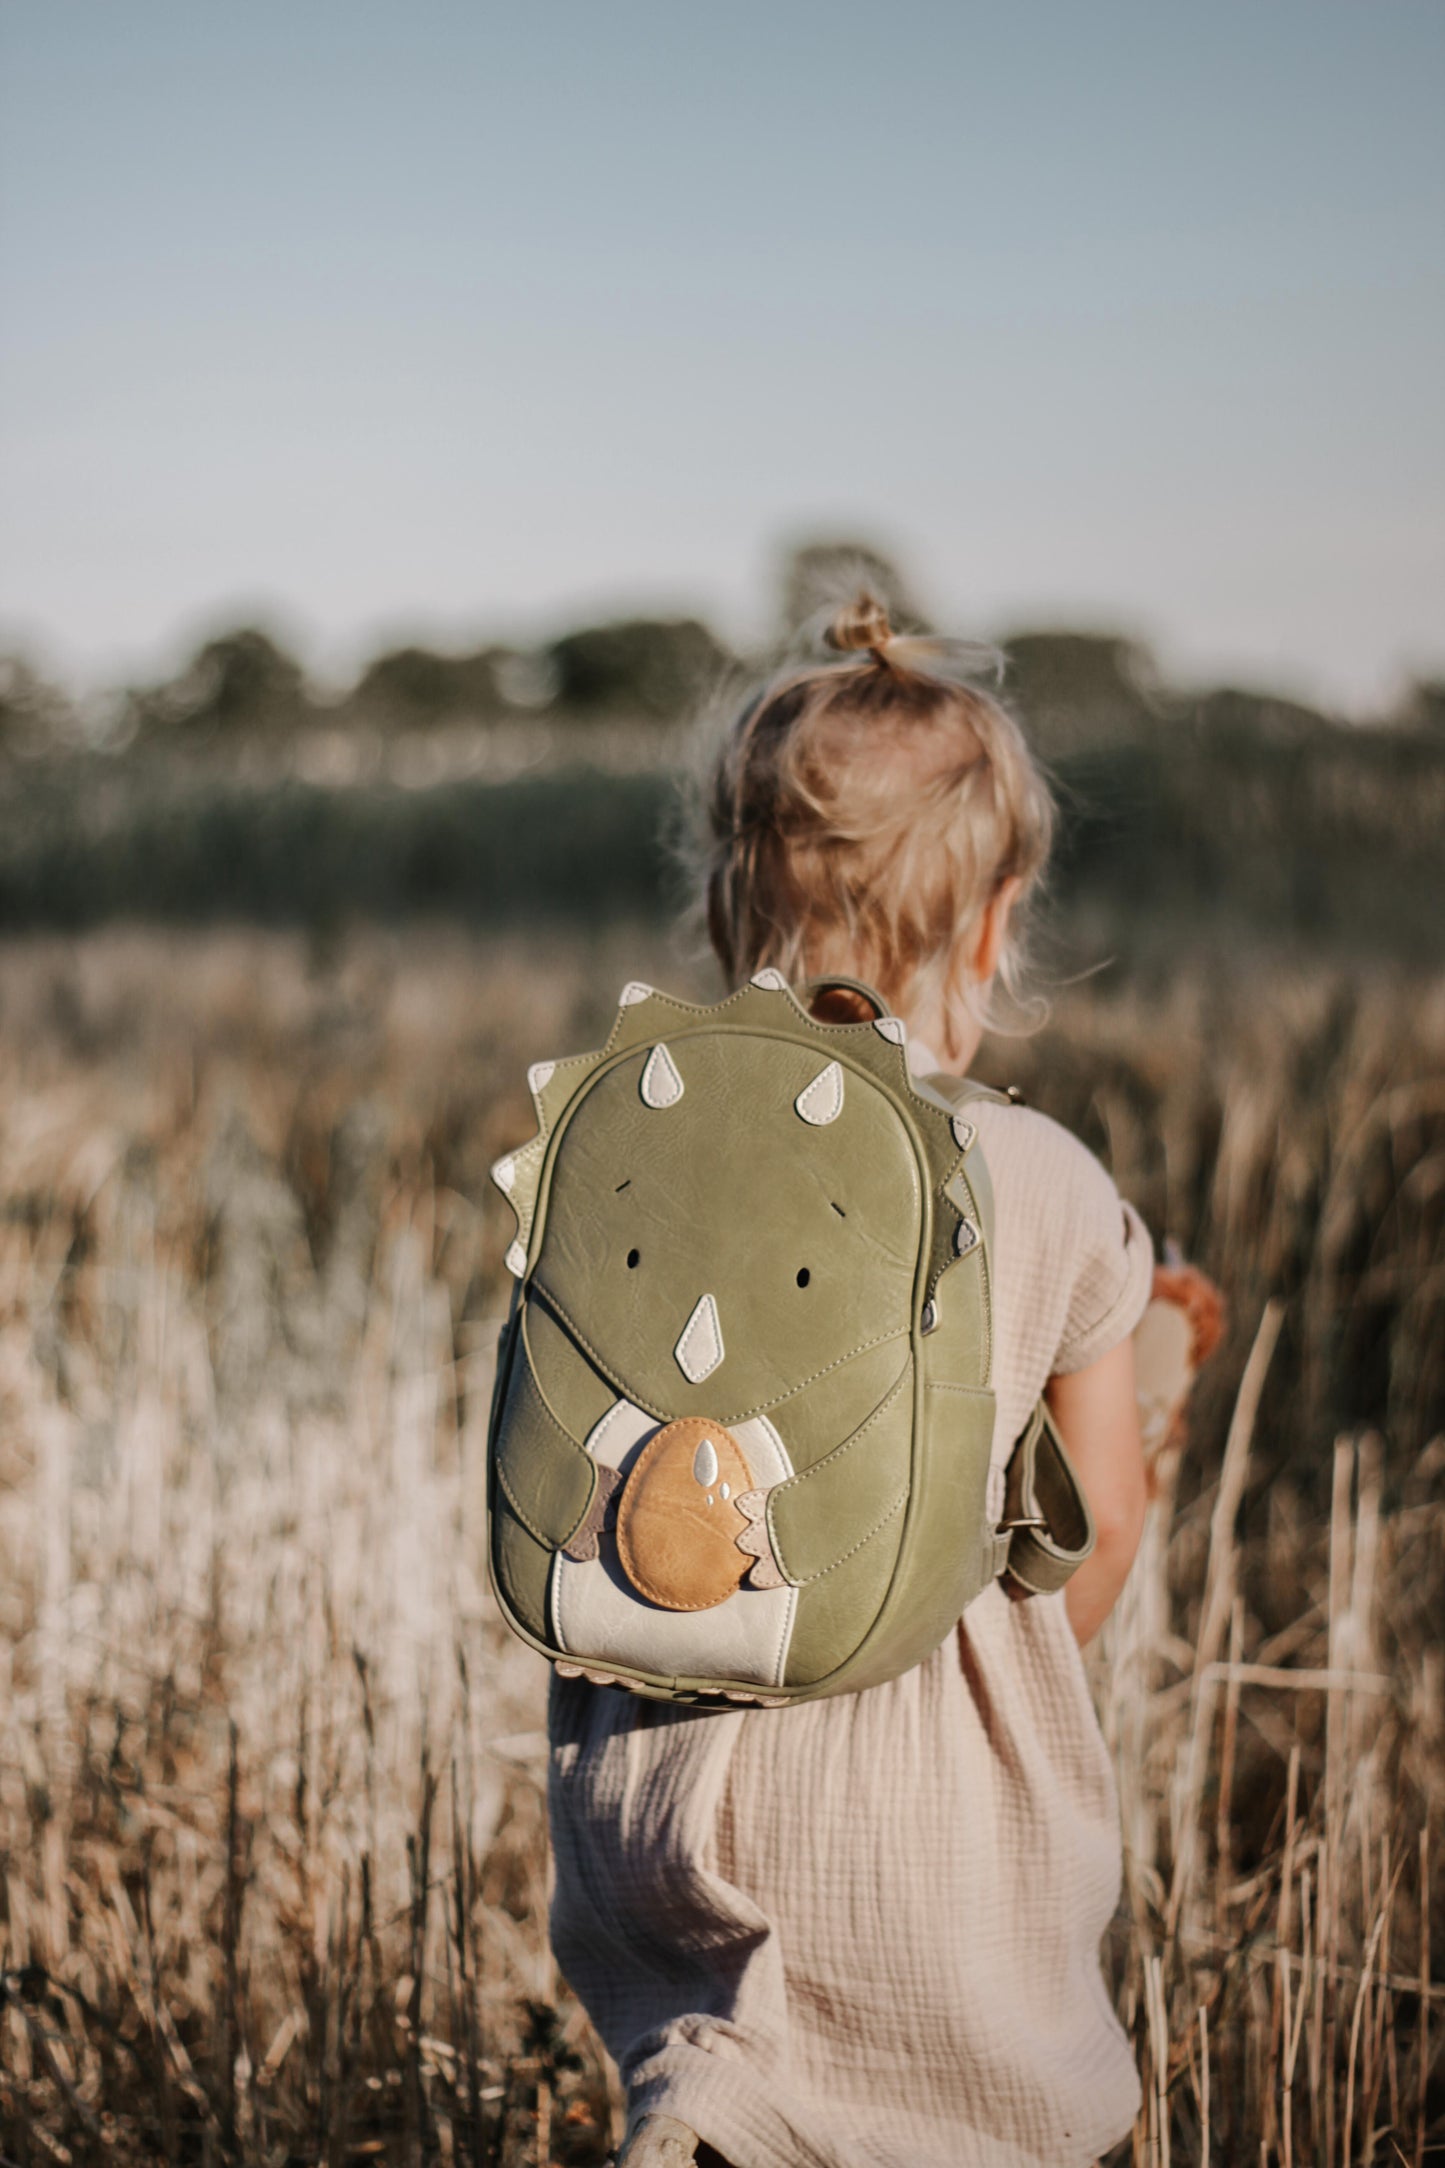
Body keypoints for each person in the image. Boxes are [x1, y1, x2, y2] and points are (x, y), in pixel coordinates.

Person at [546, 594, 1183, 2168]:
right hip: (928, 1857)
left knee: (718, 2104)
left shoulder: (623, 1155)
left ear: (723, 894)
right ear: (995, 917)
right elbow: (1089, 1541)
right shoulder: (1037, 1175)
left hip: (669, 1822)